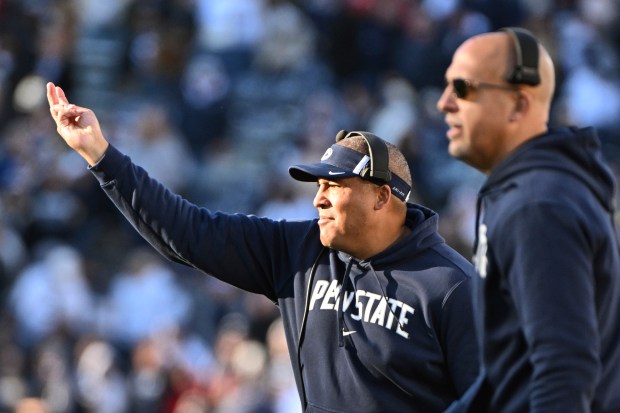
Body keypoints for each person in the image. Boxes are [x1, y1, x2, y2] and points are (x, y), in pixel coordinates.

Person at [47, 82, 479, 412]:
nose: (318, 198)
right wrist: (101, 155)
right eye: (318, 185)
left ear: (382, 197)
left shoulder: (451, 286)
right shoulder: (300, 251)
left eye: (333, 186)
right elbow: (188, 232)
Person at [436, 27, 620, 413]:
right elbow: (511, 372)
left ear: (519, 105)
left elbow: (564, 371)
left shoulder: (538, 206)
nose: (444, 103)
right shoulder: (528, 193)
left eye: (463, 87)